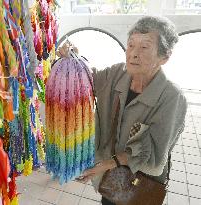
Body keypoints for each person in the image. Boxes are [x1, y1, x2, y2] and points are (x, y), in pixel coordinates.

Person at [57, 16, 187, 205]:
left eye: (144, 47)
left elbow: (155, 162)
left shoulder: (172, 98)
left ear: (164, 57)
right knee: (109, 201)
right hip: (111, 178)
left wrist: (107, 164)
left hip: (139, 183)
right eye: (131, 45)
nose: (133, 53)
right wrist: (73, 60)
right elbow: (85, 80)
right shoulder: (118, 73)